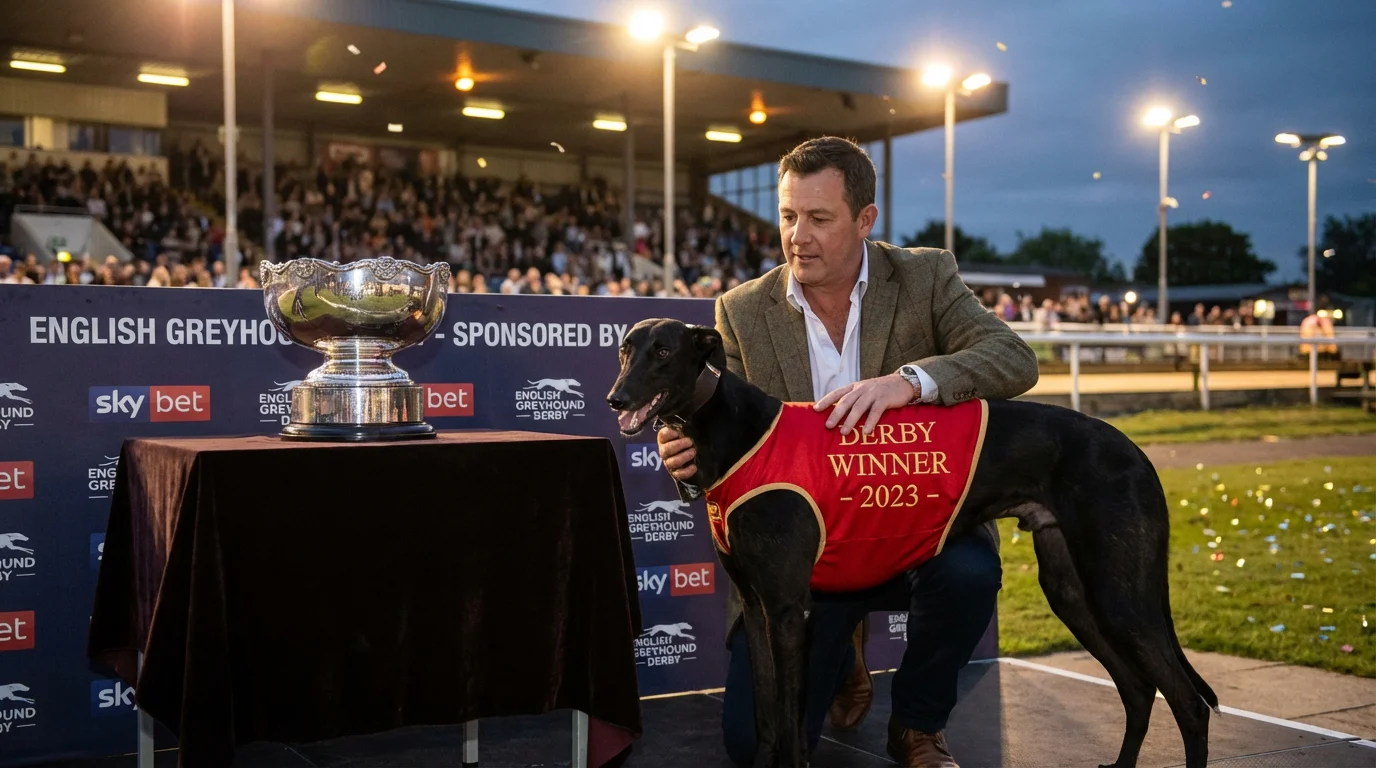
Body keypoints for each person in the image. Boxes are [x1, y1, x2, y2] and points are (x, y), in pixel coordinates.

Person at [656, 136, 1039, 767]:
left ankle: (917, 725)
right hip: (806, 555)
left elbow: (1014, 359)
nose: (797, 236)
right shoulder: (740, 311)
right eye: (787, 215)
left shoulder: (925, 275)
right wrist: (686, 453)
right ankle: (842, 653)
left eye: (819, 218)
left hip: (915, 521)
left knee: (970, 573)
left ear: (865, 220)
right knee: (752, 747)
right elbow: (720, 452)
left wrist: (910, 382)